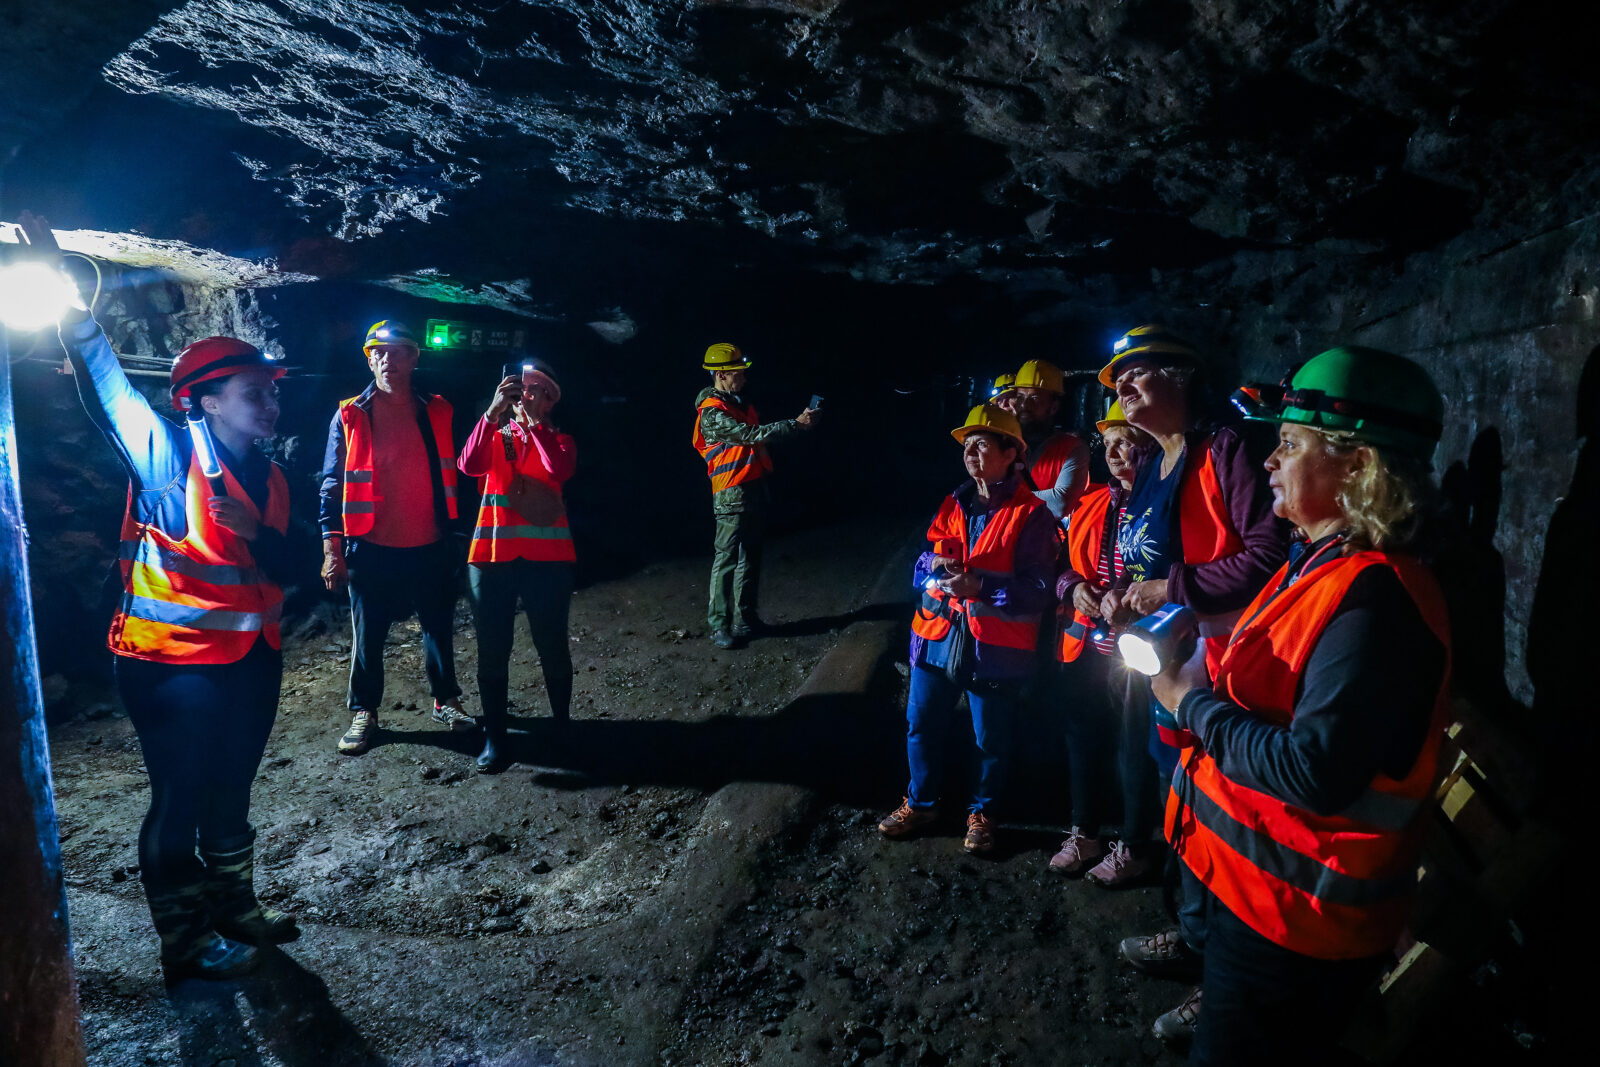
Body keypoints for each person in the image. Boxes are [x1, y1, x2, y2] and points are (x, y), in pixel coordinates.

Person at [1147, 347, 1450, 1066]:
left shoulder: (1374, 601)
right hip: (1260, 897)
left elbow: (1315, 769)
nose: (1270, 459)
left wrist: (1193, 706)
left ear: (1357, 466)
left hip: (1300, 926)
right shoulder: (1318, 563)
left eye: (1289, 442)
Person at [21, 211, 299, 981]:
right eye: (254, 393)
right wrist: (74, 309)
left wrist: (259, 533)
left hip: (249, 656)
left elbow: (290, 563)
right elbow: (106, 386)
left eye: (272, 393)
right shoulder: (168, 455)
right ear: (206, 400)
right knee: (180, 795)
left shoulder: (272, 477)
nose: (269, 405)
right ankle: (185, 941)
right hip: (171, 664)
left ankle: (232, 906)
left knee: (234, 787)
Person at [1097, 325, 1286, 1041]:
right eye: (1118, 379)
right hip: (1168, 661)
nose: (1124, 388)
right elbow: (1142, 555)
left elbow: (1265, 553)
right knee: (1179, 802)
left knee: (1223, 816)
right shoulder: (1152, 459)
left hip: (1225, 660)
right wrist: (1122, 593)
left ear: (1183, 374)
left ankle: (1220, 977)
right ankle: (1190, 927)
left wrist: (1160, 590)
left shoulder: (1225, 447)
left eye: (1139, 372)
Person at [878, 403, 1059, 855]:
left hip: (994, 646)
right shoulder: (953, 501)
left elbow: (1039, 588)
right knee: (920, 724)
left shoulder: (1032, 514)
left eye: (982, 444)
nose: (972, 453)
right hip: (937, 635)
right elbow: (921, 561)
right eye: (968, 445)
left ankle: (984, 813)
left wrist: (981, 586)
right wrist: (933, 564)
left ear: (1011, 453)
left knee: (989, 740)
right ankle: (921, 804)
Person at [319, 320, 468, 755]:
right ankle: (365, 711)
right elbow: (331, 484)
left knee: (438, 628)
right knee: (368, 635)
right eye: (380, 353)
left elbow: (457, 474)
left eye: (399, 352)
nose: (389, 361)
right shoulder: (350, 413)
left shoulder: (437, 409)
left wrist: (456, 535)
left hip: (430, 542)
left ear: (415, 357)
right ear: (369, 359)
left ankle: (447, 701)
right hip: (371, 545)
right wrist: (332, 549)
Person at [1047, 401, 1160, 885]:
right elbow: (1062, 565)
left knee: (1134, 747)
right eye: (1109, 444)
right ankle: (1085, 833)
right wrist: (1073, 588)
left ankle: (1135, 846)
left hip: (1140, 651)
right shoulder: (1091, 503)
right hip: (1088, 647)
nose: (1114, 453)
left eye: (1125, 442)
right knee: (1082, 740)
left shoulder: (1162, 504)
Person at [457, 361, 576, 773]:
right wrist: (491, 415)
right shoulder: (499, 436)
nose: (522, 395)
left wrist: (536, 428)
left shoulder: (559, 439)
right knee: (492, 652)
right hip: (493, 558)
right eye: (518, 388)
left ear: (548, 399)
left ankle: (563, 729)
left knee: (552, 647)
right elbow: (468, 465)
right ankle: (495, 739)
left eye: (533, 390)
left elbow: (559, 469)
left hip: (549, 562)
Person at [691, 342, 817, 649]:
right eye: (738, 372)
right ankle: (720, 625)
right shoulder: (713, 413)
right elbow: (750, 436)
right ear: (720, 375)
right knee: (727, 560)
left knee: (750, 558)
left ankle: (745, 620)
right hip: (731, 494)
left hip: (752, 490)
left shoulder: (736, 405)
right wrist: (794, 425)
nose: (744, 378)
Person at [1010, 358, 1090, 521]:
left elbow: (1060, 504)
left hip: (1047, 543)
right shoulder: (1003, 444)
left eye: (1034, 398)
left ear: (1053, 407)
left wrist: (1004, 502)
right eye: (1020, 397)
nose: (1025, 405)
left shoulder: (1073, 448)